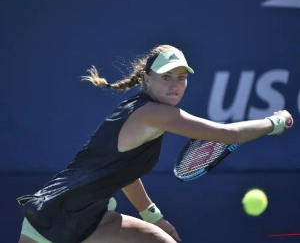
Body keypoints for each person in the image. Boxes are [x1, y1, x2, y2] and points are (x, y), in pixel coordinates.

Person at [17, 44, 293, 243]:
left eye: (181, 78)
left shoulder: (144, 110)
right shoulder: (155, 113)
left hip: (92, 217)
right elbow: (227, 134)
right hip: (53, 218)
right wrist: (276, 122)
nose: (175, 85)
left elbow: (124, 172)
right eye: (166, 77)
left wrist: (152, 216)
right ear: (147, 79)